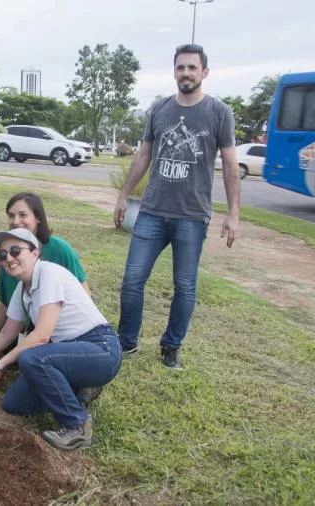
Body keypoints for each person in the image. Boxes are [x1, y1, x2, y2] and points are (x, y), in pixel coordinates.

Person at [113, 44, 241, 370]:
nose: (186, 73)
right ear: (174, 72)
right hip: (153, 211)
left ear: (204, 73)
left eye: (192, 68)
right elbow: (144, 154)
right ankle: (126, 342)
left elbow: (229, 164)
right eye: (181, 67)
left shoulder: (218, 112)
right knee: (132, 280)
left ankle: (171, 347)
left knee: (184, 286)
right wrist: (124, 194)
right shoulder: (159, 109)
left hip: (192, 216)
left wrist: (234, 213)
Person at [0, 228, 122, 451]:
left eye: (16, 251)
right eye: (2, 255)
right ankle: (80, 389)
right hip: (69, 354)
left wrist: (0, 364)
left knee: (32, 358)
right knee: (15, 404)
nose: (8, 258)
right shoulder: (22, 289)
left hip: (101, 349)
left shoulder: (49, 274)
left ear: (35, 252)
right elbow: (6, 334)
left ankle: (77, 424)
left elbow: (42, 335)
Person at [0, 192, 90, 344]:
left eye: (23, 215)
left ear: (38, 218)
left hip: (61, 333)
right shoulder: (8, 256)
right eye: (11, 215)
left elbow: (84, 295)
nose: (15, 221)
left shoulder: (60, 249)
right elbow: (6, 302)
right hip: (24, 331)